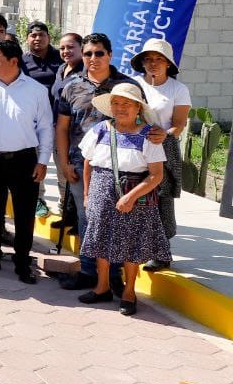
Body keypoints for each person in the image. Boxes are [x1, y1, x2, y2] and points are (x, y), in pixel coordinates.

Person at [54, 33, 145, 292]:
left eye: (99, 53)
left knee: (117, 220)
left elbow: (143, 122)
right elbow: (62, 127)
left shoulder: (127, 86)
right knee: (87, 219)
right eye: (88, 54)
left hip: (121, 168)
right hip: (80, 163)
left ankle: (113, 276)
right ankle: (88, 271)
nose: (93, 58)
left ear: (110, 55)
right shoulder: (70, 86)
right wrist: (64, 163)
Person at [76, 84, 168, 316]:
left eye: (127, 103)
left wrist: (130, 197)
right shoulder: (100, 130)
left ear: (138, 108)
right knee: (101, 241)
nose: (120, 108)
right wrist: (87, 195)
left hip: (135, 196)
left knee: (132, 244)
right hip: (100, 193)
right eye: (116, 103)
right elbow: (88, 163)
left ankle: (129, 292)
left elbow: (156, 175)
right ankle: (102, 287)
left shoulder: (150, 136)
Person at [0, 40, 53, 284]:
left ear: (14, 61)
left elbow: (46, 128)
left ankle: (22, 262)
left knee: (25, 214)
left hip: (24, 160)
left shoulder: (36, 90)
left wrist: (43, 161)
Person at [132, 38, 190, 272]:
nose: (153, 63)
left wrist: (163, 135)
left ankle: (161, 253)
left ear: (168, 64)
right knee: (134, 196)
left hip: (164, 148)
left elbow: (178, 124)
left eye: (159, 59)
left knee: (161, 200)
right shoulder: (134, 85)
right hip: (135, 146)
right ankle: (133, 249)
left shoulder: (178, 89)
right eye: (148, 59)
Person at [21, 21, 62, 220]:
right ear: (27, 39)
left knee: (63, 165)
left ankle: (66, 204)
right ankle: (39, 200)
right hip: (33, 122)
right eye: (33, 35)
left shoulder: (61, 58)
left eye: (41, 35)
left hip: (60, 121)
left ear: (48, 37)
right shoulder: (22, 61)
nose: (37, 39)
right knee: (36, 164)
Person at [49, 32, 84, 232]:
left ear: (81, 47)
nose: (65, 51)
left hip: (77, 133)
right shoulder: (62, 68)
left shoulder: (85, 71)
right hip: (59, 131)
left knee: (76, 177)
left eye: (70, 47)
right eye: (62, 48)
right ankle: (67, 214)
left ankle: (80, 220)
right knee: (63, 174)